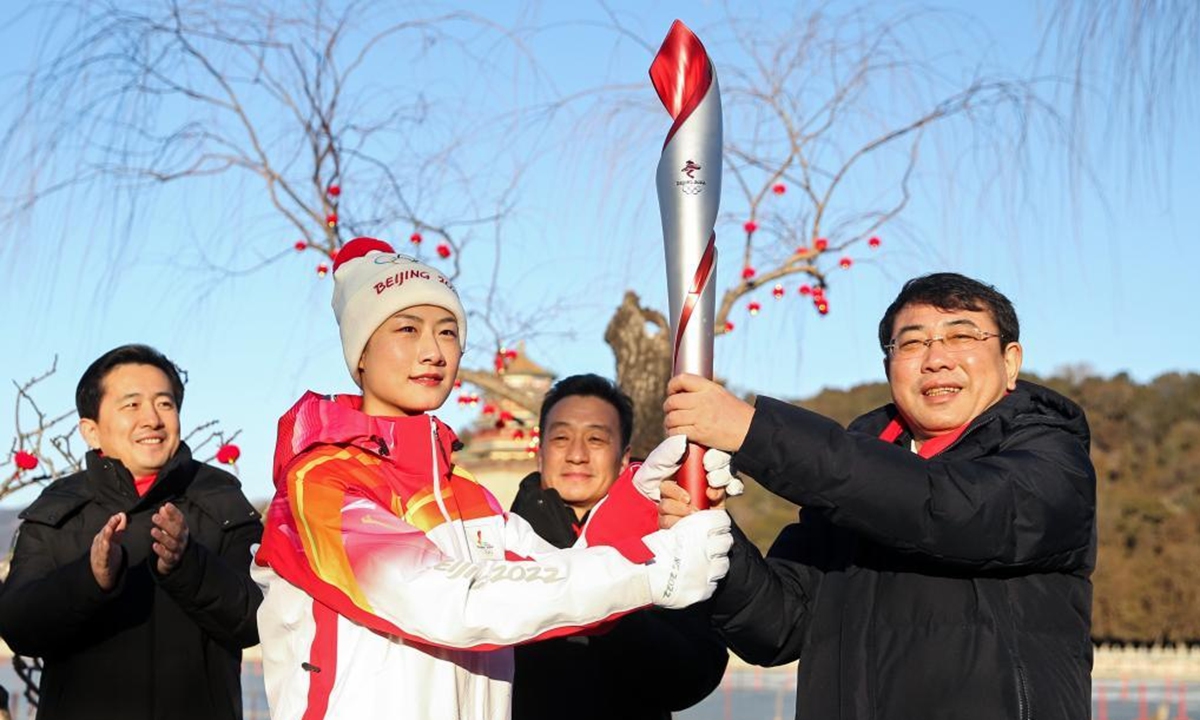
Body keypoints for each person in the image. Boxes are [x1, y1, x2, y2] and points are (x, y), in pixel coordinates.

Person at [251, 237, 732, 720]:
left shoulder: (466, 496)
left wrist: (642, 498)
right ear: (361, 353)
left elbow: (563, 574)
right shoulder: (320, 485)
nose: (433, 351)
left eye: (446, 332)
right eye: (407, 329)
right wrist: (653, 569)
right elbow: (452, 602)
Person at [661, 272, 1097, 720]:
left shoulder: (1052, 461)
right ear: (888, 366)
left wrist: (755, 433)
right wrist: (717, 538)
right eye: (912, 344)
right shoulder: (848, 488)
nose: (936, 359)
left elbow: (949, 509)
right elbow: (778, 630)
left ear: (1010, 362)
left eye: (962, 335)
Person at [0, 344, 263, 720]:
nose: (152, 419)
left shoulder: (221, 502)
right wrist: (89, 579)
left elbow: (259, 619)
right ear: (91, 431)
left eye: (164, 404)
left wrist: (189, 566)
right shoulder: (58, 508)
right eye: (132, 405)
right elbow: (18, 626)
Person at [509, 374, 728, 720]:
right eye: (561, 438)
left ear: (624, 457)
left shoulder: (667, 538)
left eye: (595, 439)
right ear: (540, 454)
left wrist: (616, 611)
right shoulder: (498, 541)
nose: (577, 455)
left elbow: (694, 676)